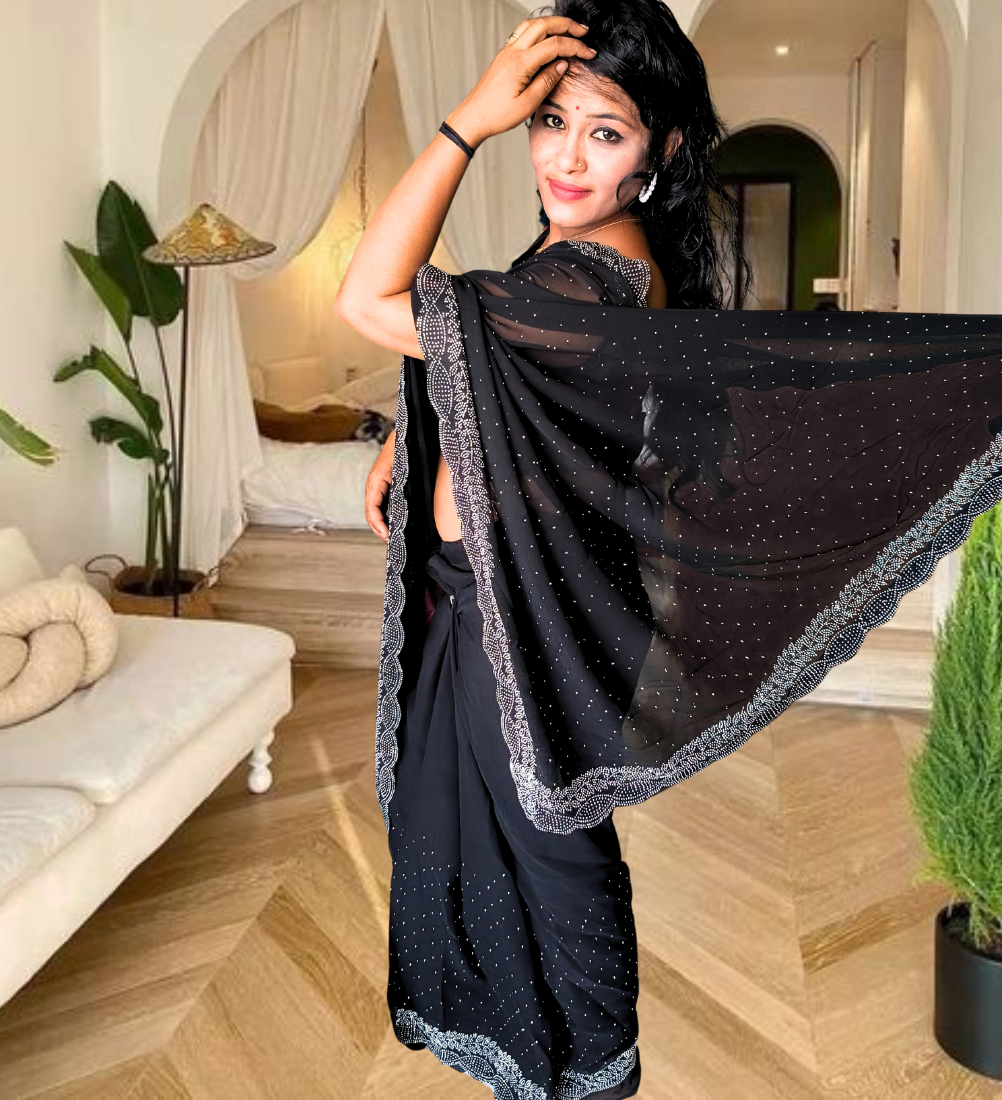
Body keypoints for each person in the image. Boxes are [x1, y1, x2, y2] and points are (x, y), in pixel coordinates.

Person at [333, 3, 1002, 1096]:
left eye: (605, 132)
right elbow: (513, 394)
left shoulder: (593, 275)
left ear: (660, 153)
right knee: (508, 850)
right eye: (549, 121)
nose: (564, 157)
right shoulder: (569, 260)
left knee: (553, 862)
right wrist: (419, 436)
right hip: (492, 604)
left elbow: (368, 296)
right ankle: (550, 1068)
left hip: (523, 627)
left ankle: (596, 1076)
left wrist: (466, 124)